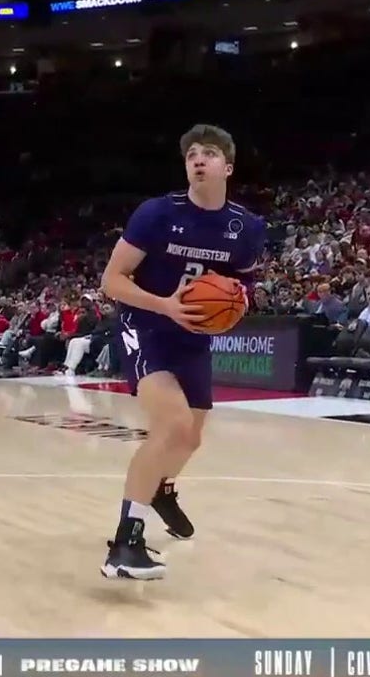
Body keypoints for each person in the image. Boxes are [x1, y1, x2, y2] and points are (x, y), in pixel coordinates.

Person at [100, 124, 266, 580]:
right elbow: (112, 281)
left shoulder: (246, 228)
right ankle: (124, 545)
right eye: (191, 153)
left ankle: (158, 487)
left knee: (190, 438)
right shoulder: (156, 214)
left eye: (209, 153)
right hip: (147, 324)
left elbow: (244, 282)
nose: (198, 159)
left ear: (227, 167)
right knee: (171, 425)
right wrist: (165, 306)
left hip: (194, 333)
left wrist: (239, 299)